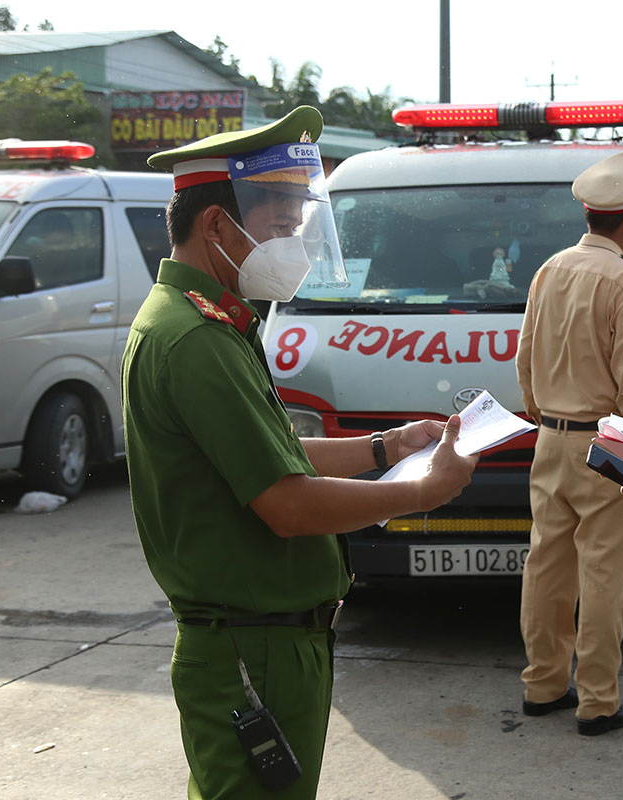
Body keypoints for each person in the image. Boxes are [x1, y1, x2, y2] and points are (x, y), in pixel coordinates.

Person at [121, 105, 477, 799]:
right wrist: (418, 493)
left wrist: (385, 447)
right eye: (281, 228)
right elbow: (285, 504)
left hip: (266, 641)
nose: (294, 246)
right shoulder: (195, 340)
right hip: (251, 647)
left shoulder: (214, 323)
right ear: (217, 225)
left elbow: (280, 454)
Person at [515, 149, 623, 736]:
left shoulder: (549, 269)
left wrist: (543, 413)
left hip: (549, 439)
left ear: (588, 213)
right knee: (603, 573)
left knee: (546, 565)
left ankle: (542, 683)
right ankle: (597, 701)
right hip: (606, 447)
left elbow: (525, 358)